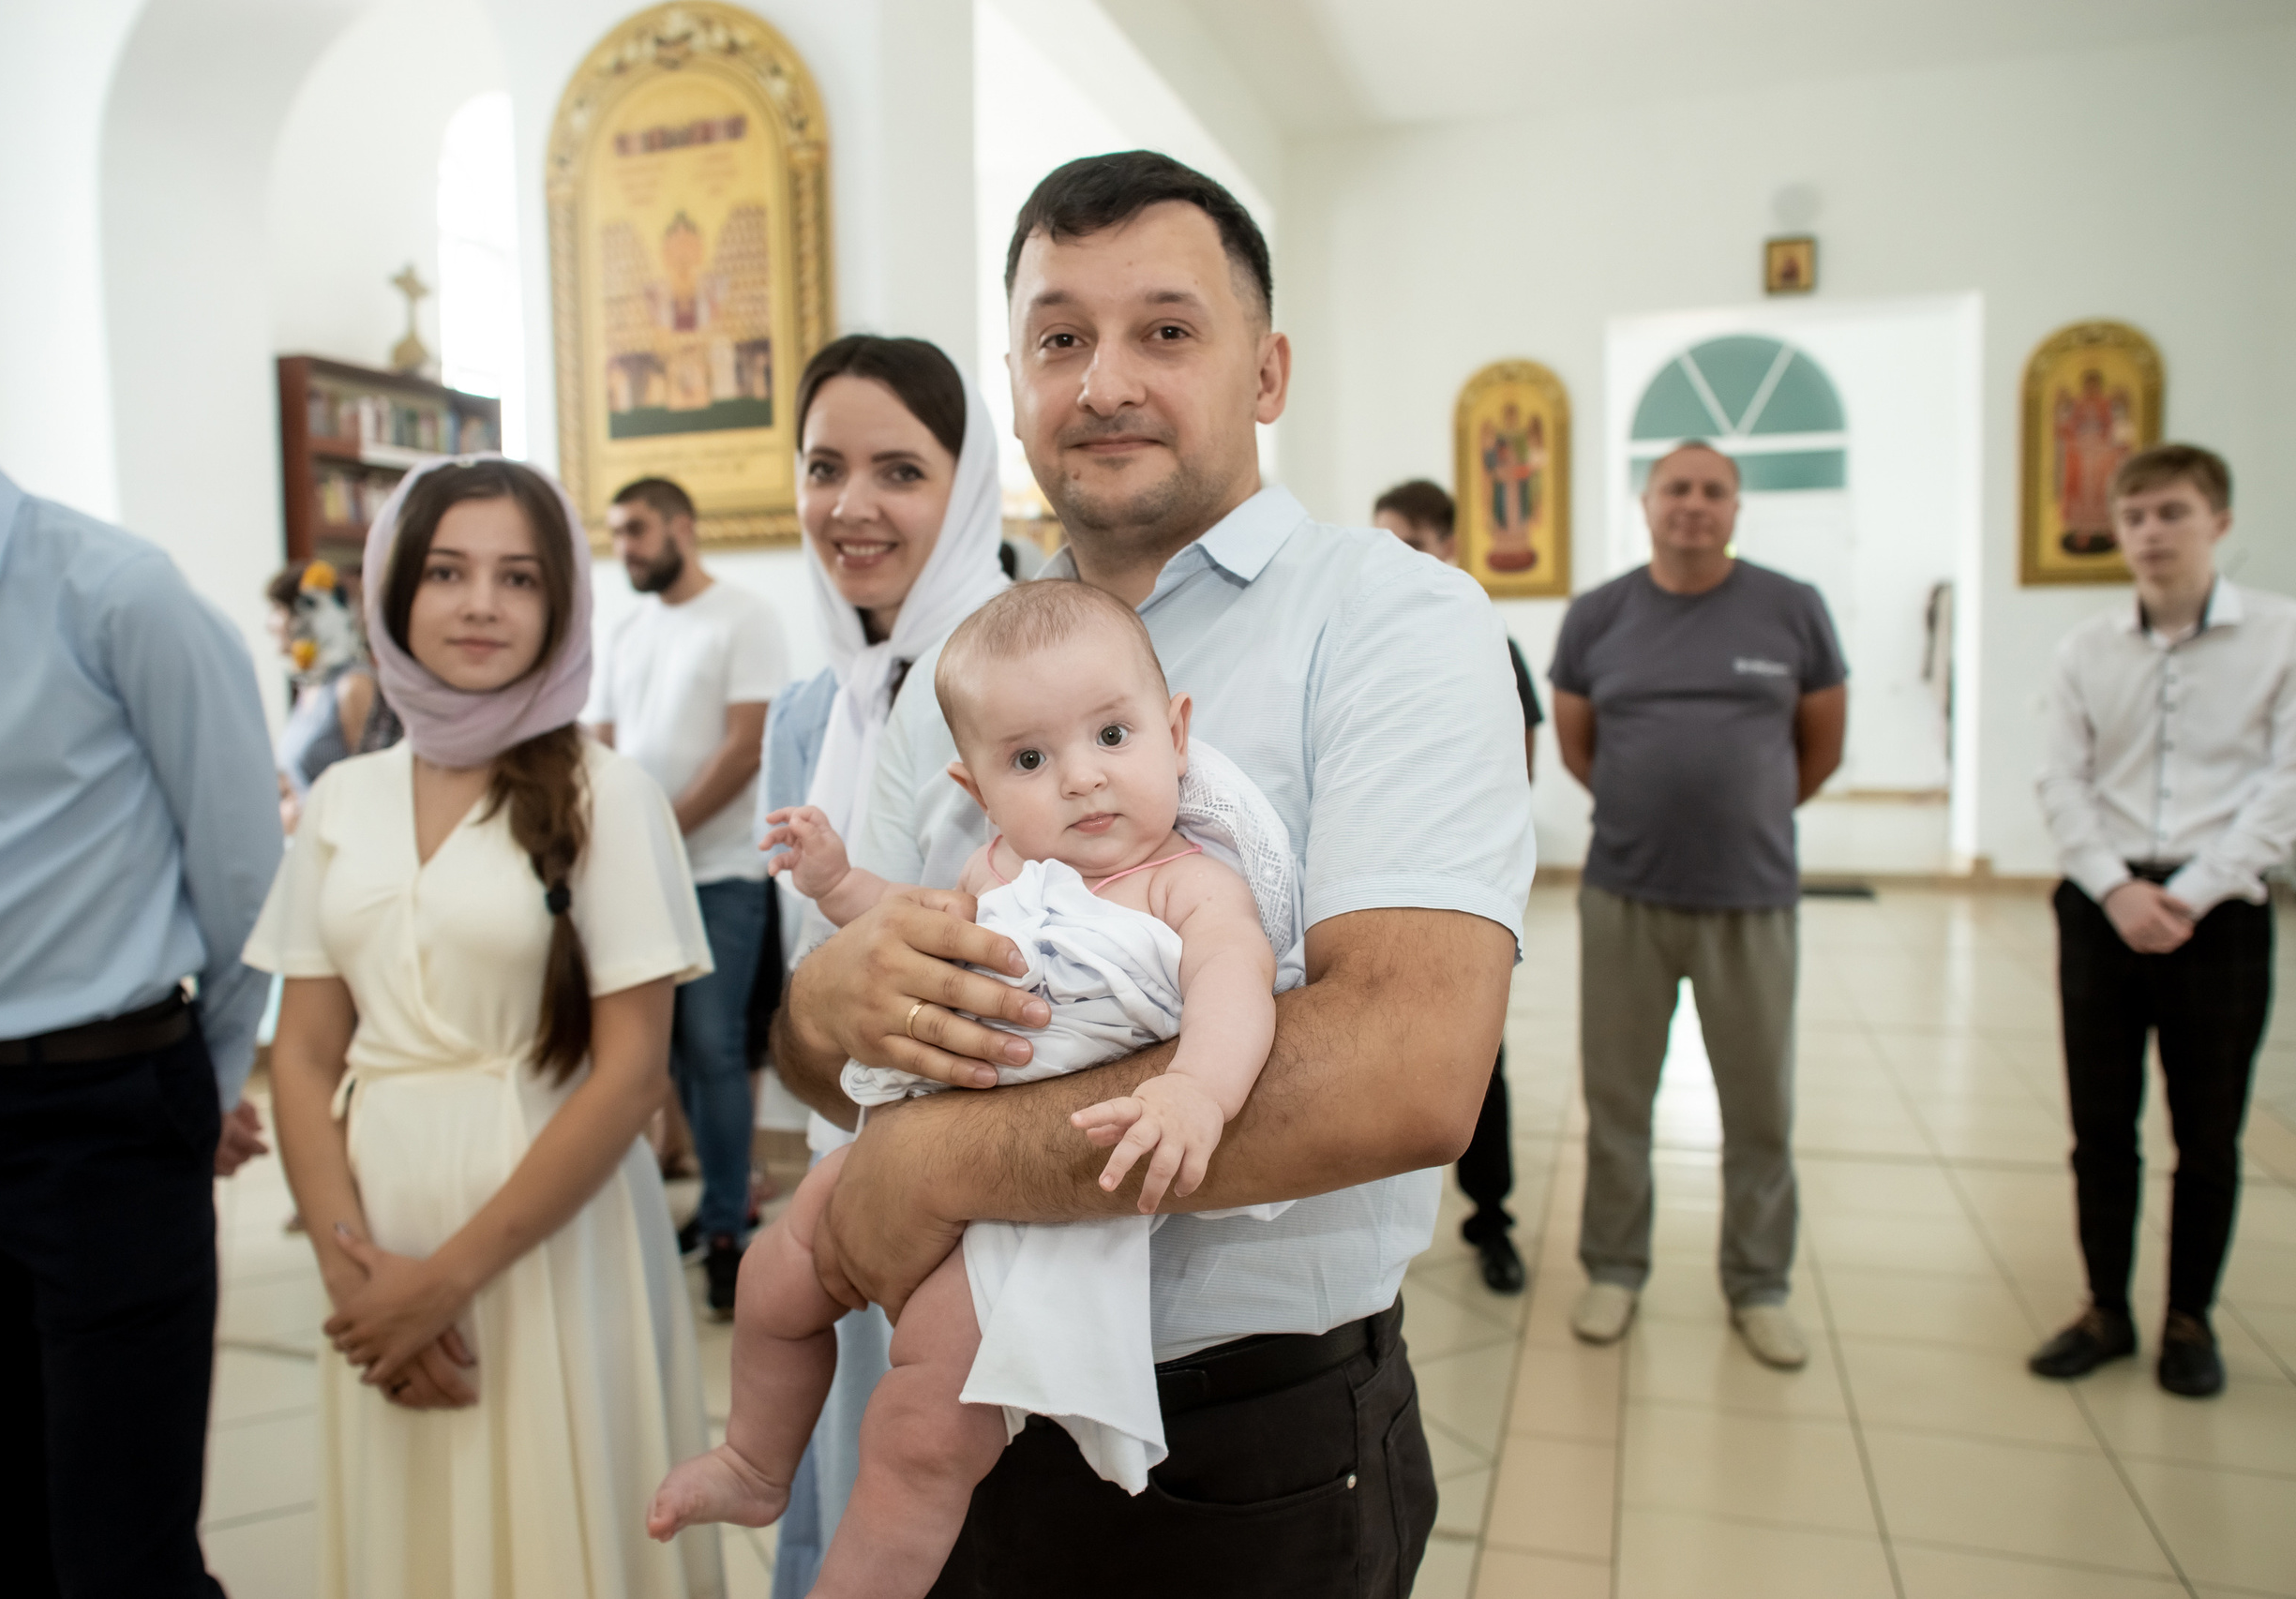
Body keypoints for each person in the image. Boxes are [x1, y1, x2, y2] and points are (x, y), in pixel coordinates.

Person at [772, 151, 1530, 1597]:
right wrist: (825, 1006)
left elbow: (1408, 1067)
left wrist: (932, 1159)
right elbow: (825, 1050)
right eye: (1060, 338)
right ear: (1016, 383)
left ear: (1269, 369)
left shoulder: (1394, 621)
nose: (1105, 380)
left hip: (1237, 1442)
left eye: (1166, 330)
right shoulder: (957, 672)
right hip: (961, 1397)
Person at [658, 581, 1290, 1595]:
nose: (1081, 778)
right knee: (775, 1276)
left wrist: (1196, 1093)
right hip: (919, 1130)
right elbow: (915, 920)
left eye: (1113, 735)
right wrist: (838, 885)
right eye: (1030, 760)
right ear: (978, 788)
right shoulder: (998, 869)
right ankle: (753, 1460)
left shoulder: (1184, 883)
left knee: (920, 1427)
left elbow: (1235, 982)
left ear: (1176, 735)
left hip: (1030, 1213)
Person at [244, 456, 722, 1598]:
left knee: (563, 1527)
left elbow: (629, 1074)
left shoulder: (610, 794)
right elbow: (301, 1055)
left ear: (560, 601)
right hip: (380, 1230)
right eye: (447, 572)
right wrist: (360, 1282)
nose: (480, 605)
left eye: (518, 577)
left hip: (550, 1229)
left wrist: (443, 1282)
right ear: (393, 590)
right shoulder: (344, 799)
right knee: (417, 1531)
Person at [0, 248, 282, 1596]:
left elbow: (244, 879)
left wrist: (197, 1090)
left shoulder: (116, 591)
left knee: (126, 1557)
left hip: (103, 1114)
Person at [758, 333, 1008, 1599]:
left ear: (967, 491)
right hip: (840, 1160)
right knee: (839, 1480)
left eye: (899, 471)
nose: (851, 506)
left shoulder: (1023, 679)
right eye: (824, 468)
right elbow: (802, 970)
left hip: (980, 1190)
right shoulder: (811, 710)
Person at [1551, 440, 1846, 1369]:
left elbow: (1820, 748)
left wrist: (1741, 812)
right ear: (1646, 503)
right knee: (1617, 1099)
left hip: (1750, 899)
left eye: (1713, 489)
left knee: (1758, 1106)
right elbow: (1578, 747)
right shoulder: (1599, 615)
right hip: (1625, 894)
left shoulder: (1792, 607)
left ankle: (1759, 1283)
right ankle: (1613, 1266)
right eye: (1675, 487)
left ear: (1735, 508)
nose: (1693, 502)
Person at [2030, 443, 2294, 1398]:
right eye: (2135, 517)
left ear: (2217, 522)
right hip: (2103, 906)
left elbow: (2286, 784)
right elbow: (2060, 780)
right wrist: (2115, 888)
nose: (2151, 533)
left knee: (2208, 1131)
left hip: (2218, 916)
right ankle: (2104, 1306)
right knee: (2100, 1125)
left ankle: (2190, 1319)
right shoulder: (2085, 650)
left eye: (2172, 513)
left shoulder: (2279, 637)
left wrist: (2199, 886)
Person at [590, 474, 789, 1307]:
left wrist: (658, 829)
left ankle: (726, 1228)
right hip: (639, 877)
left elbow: (746, 746)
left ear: (681, 526)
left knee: (713, 1050)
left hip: (719, 874)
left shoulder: (744, 617)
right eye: (616, 534)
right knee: (658, 1057)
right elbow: (600, 744)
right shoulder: (626, 630)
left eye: (635, 530)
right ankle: (703, 1209)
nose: (625, 549)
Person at [1375, 478, 1541, 1293]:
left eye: (1409, 542)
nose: (1393, 557)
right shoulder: (1365, 634)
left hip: (1453, 888)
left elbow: (1519, 768)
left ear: (1447, 545)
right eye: (1382, 540)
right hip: (1365, 883)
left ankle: (1491, 1218)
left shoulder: (1481, 637)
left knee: (1476, 1063)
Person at [266, 558, 382, 829]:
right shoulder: (311, 688)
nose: (270, 623)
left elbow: (373, 787)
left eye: (278, 610)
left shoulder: (353, 685)